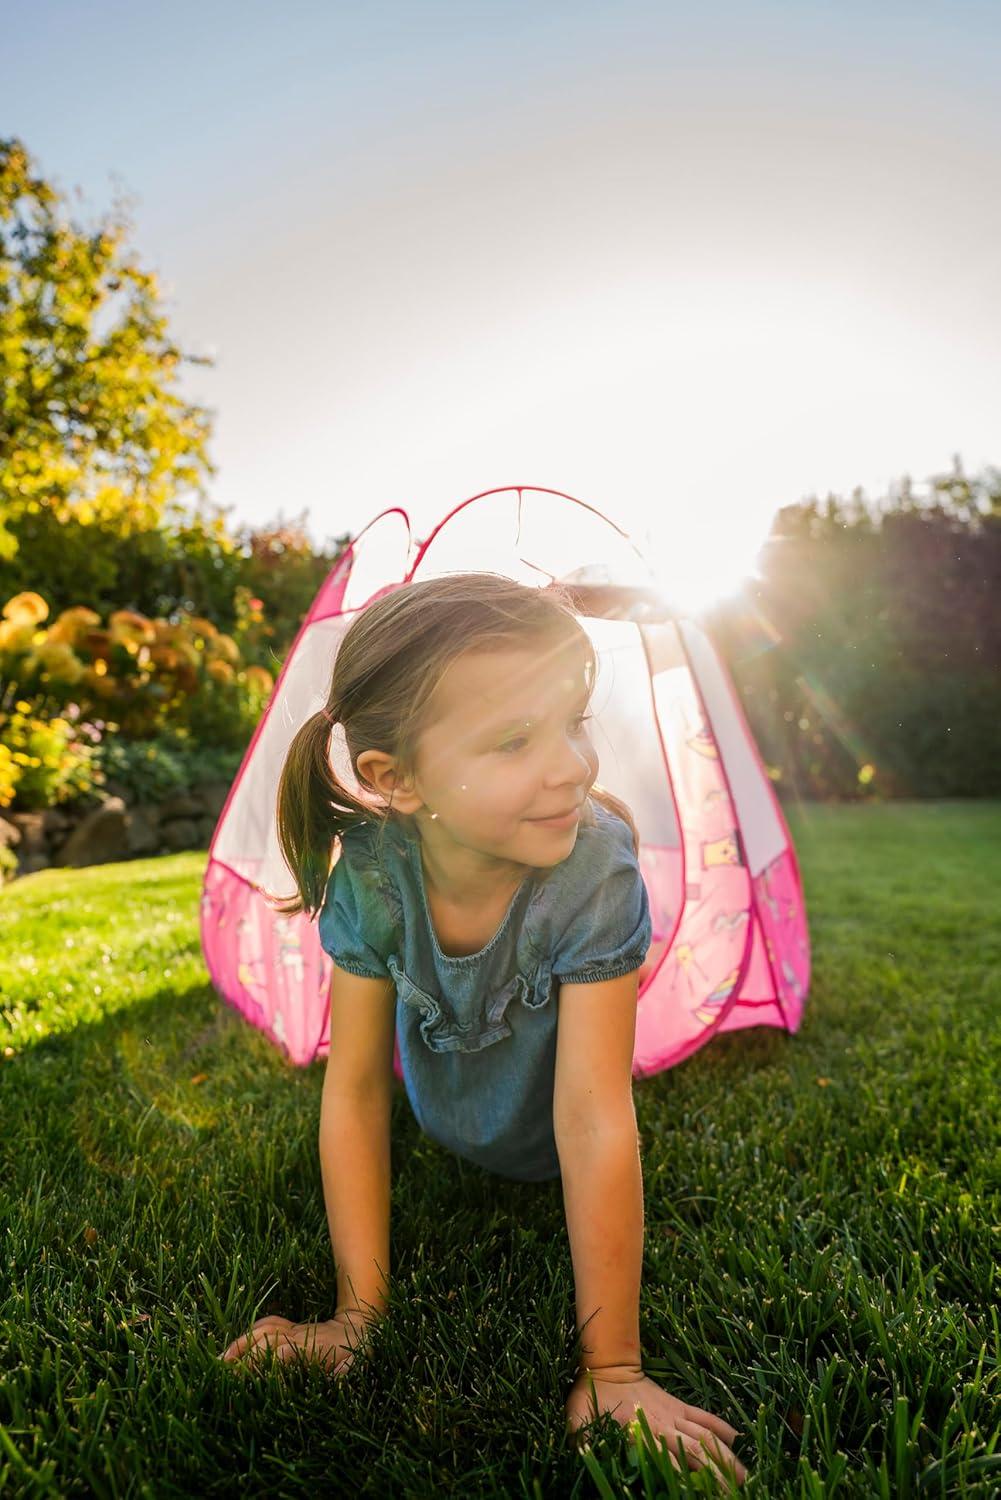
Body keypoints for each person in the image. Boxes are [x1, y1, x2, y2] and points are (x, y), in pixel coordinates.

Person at [220, 572, 748, 1489]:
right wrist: (358, 1316)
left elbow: (592, 1117)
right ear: (394, 779)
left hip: (550, 1147)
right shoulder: (372, 877)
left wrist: (613, 1370)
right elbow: (355, 1090)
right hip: (443, 1124)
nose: (573, 767)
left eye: (574, 721)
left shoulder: (594, 873)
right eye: (514, 740)